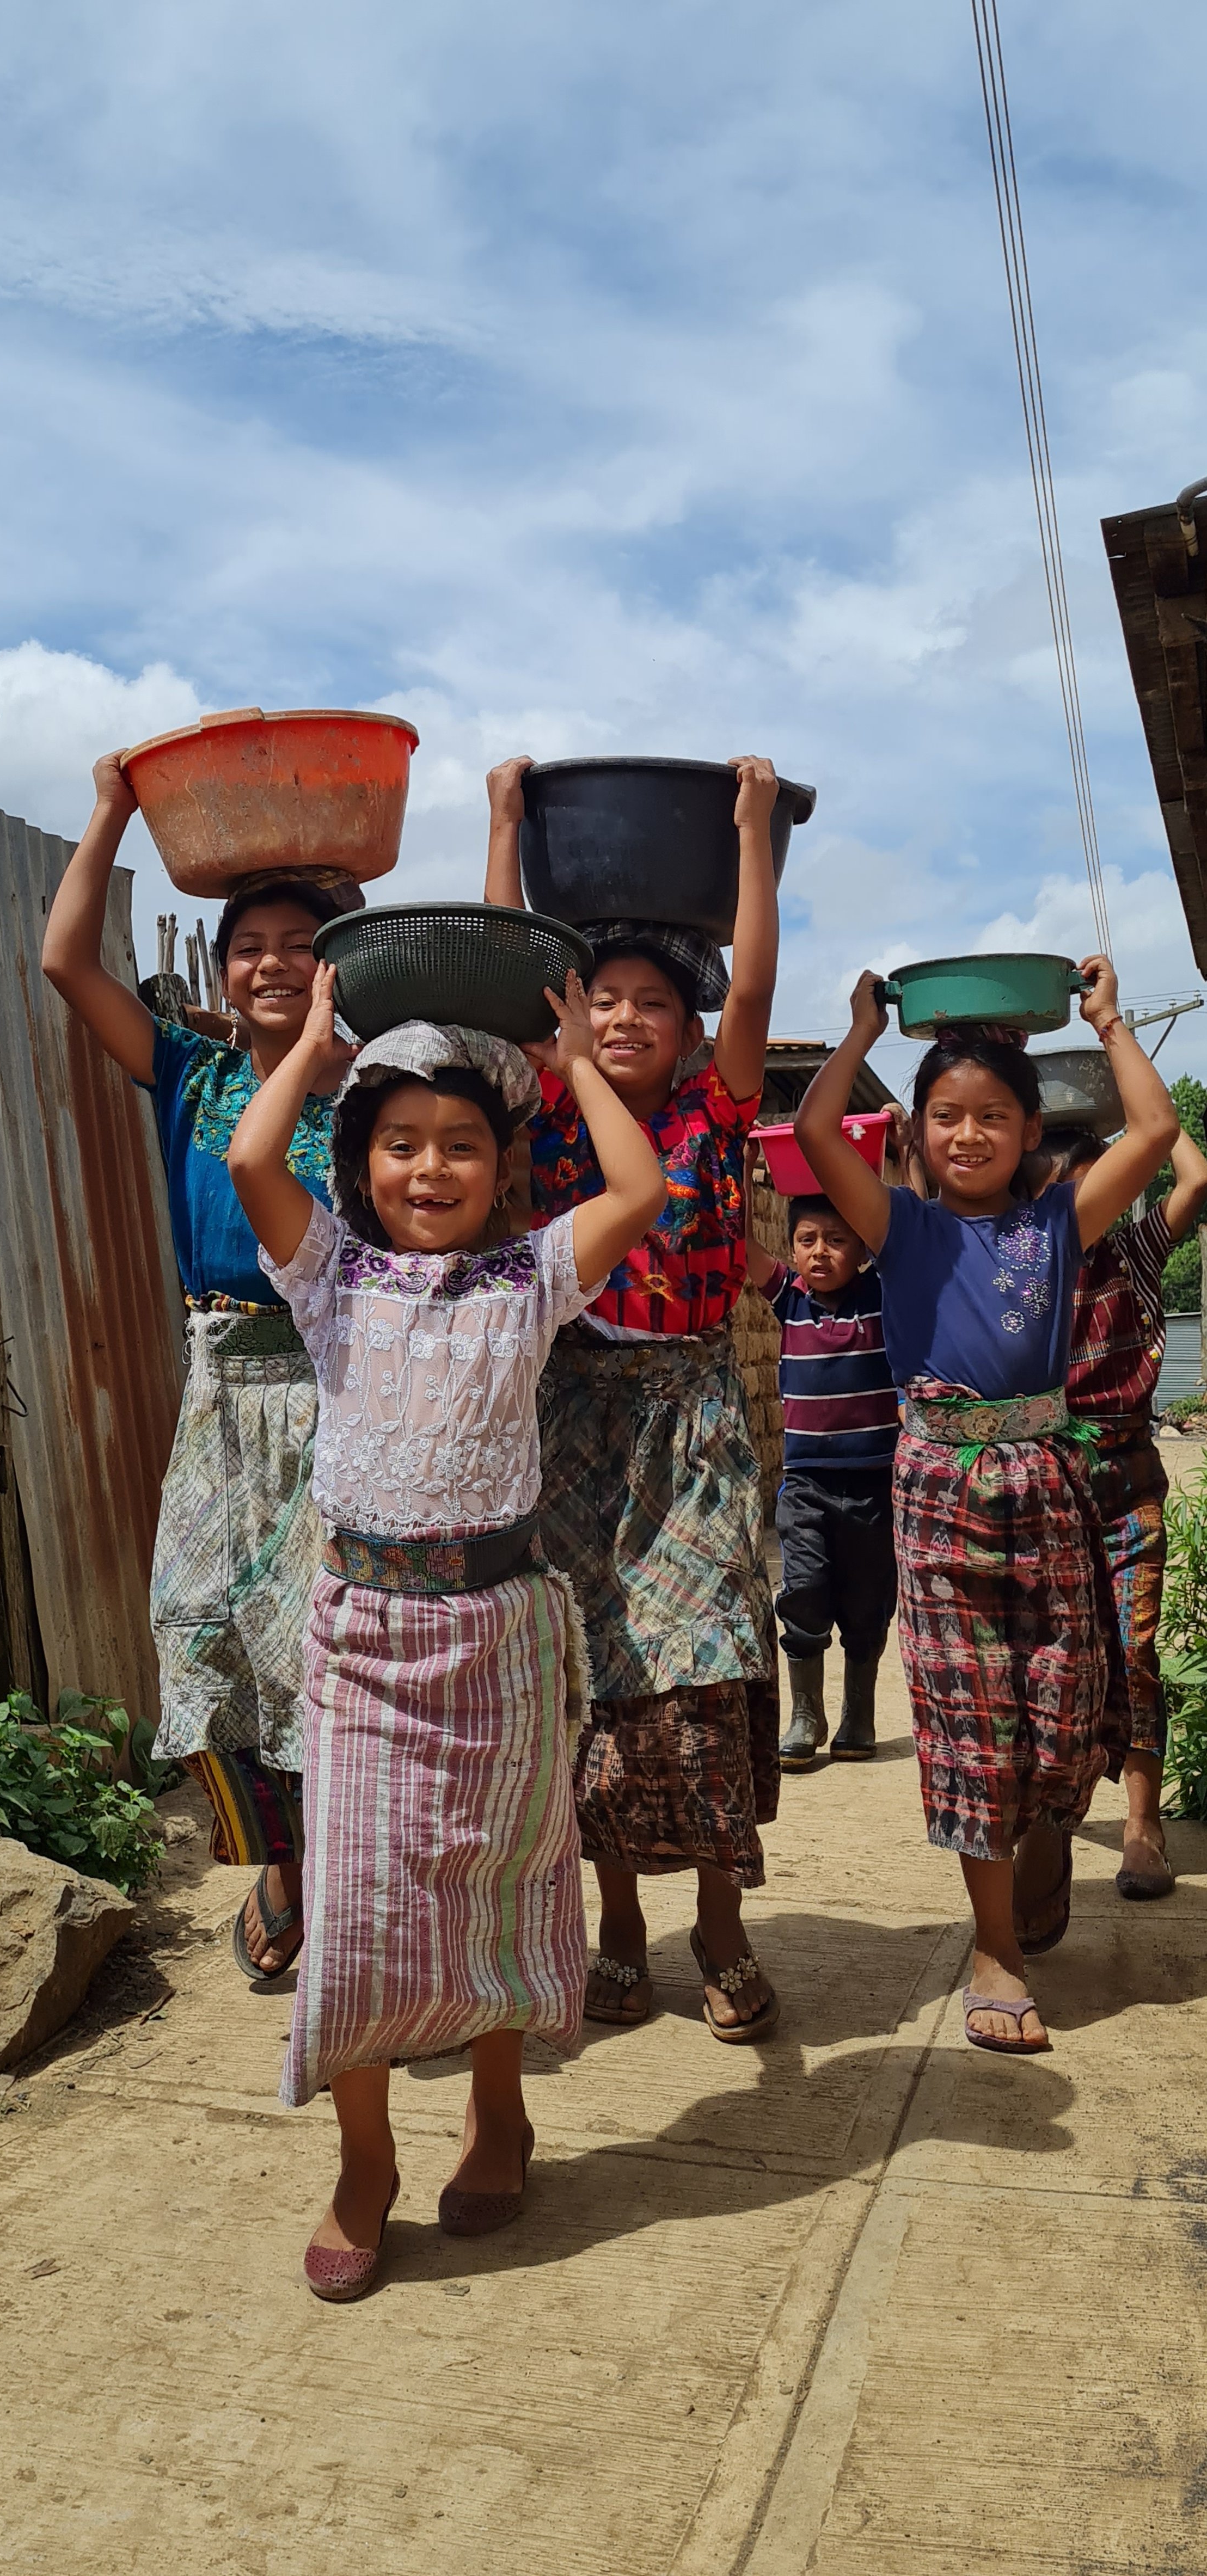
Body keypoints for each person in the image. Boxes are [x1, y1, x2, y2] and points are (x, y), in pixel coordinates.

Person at [226, 963, 664, 2302]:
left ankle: (500, 2114)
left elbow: (639, 1193)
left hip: (503, 1636)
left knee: (494, 1890)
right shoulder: (327, 1277)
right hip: (363, 1636)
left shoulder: (530, 1279)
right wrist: (311, 1048)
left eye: (461, 1145)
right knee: (357, 1911)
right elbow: (252, 1152)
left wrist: (575, 1054)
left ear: (501, 1166)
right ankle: (366, 2161)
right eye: (401, 1144)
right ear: (360, 1164)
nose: (431, 1168)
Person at [794, 958, 1177, 2056]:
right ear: (913, 1137)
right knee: (968, 1722)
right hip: (937, 1486)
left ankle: (1047, 1833)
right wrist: (861, 1029)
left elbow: (1149, 1133)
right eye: (946, 1118)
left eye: (992, 1117)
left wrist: (1106, 1022)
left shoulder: (1058, 1223)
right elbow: (820, 1130)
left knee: (1060, 1705)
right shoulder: (900, 1229)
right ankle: (991, 1945)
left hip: (1046, 1480)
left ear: (1025, 1130)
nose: (967, 1136)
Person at [41, 751, 354, 1983]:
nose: (270, 964)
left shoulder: (379, 1094)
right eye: (250, 946)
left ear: (335, 965)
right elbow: (69, 962)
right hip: (223, 1391)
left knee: (334, 1644)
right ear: (224, 972)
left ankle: (344, 1864)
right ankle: (284, 1862)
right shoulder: (196, 1075)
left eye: (298, 943)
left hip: (342, 1393)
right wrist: (113, 810)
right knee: (205, 1636)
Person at [484, 753, 782, 2043]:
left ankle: (719, 1919)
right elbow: (505, 982)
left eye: (650, 1003)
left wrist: (753, 834)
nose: (622, 1020)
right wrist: (502, 822)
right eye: (600, 1003)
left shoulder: (718, 1114)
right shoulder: (548, 1119)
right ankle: (616, 1922)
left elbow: (758, 977)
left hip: (693, 1414)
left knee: (703, 1676)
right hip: (572, 1419)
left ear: (689, 1025)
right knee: (592, 1688)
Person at [1056, 1117, 1207, 1902]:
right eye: (1060, 1188)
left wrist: (1153, 1111)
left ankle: (1142, 1826)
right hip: (1045, 1493)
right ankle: (1054, 1808)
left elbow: (1197, 1179)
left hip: (1127, 1486)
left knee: (1137, 1652)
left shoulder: (1136, 1254)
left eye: (1095, 1182)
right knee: (1061, 1665)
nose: (1079, 1200)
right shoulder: (1020, 1267)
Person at [746, 1192, 900, 1769]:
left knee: (867, 1600)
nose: (820, 1252)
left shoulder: (879, 1295)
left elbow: (907, 1239)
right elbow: (742, 1246)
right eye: (807, 1239)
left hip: (872, 1484)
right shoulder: (790, 1301)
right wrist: (742, 1160)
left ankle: (858, 1711)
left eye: (837, 1239)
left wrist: (903, 1155)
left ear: (861, 1247)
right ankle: (806, 1713)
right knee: (803, 1590)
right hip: (806, 1483)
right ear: (791, 1248)